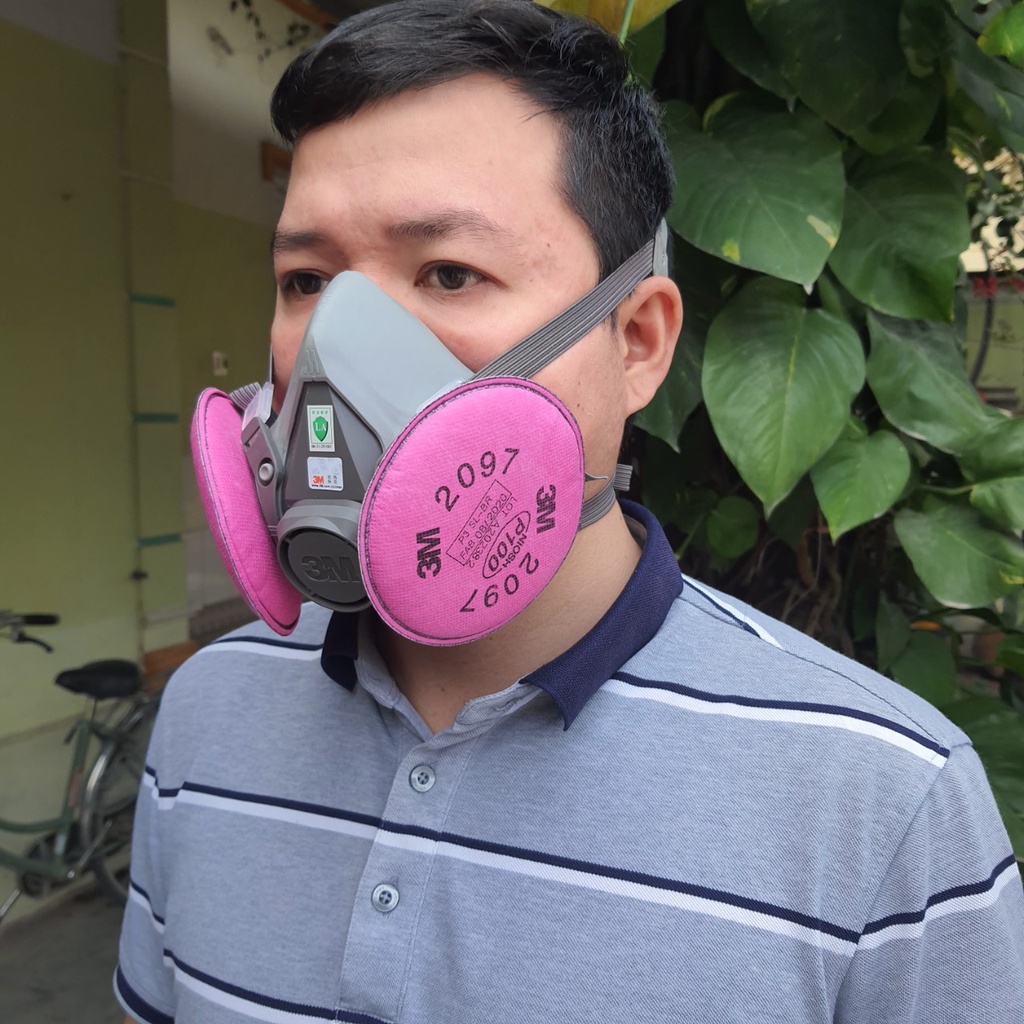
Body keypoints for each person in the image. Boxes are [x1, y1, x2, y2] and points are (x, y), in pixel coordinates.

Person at [116, 1, 1024, 1021]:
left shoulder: (881, 799)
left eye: (450, 272)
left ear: (637, 340)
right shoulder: (210, 709)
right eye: (306, 279)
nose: (336, 339)